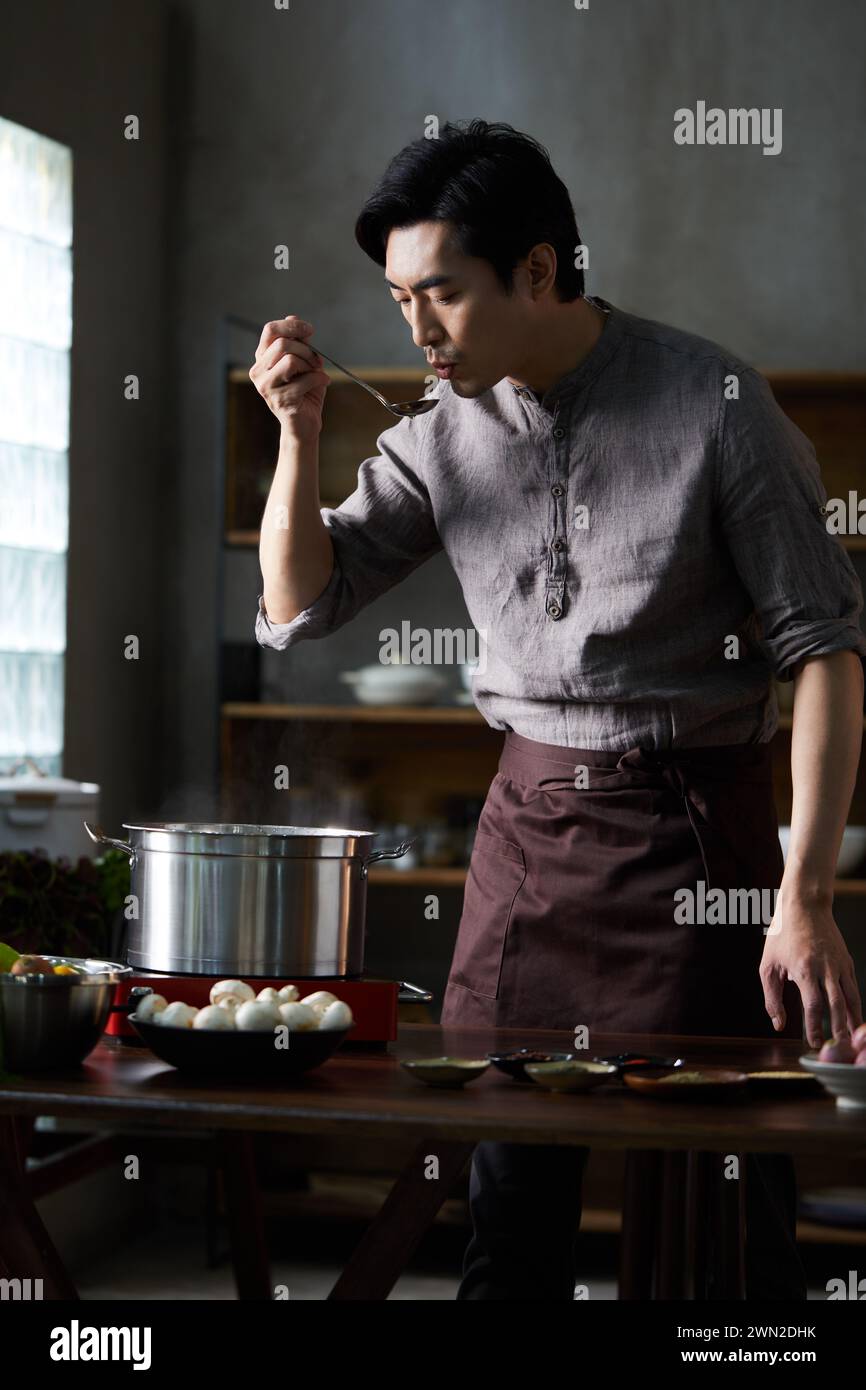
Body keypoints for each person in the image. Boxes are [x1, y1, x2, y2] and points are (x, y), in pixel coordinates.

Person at [251, 119, 866, 1300]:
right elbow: (300, 602)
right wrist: (297, 434)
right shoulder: (438, 432)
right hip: (526, 844)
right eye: (395, 300)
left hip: (697, 844)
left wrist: (802, 898)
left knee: (723, 1236)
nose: (416, 332)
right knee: (509, 1218)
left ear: (538, 269)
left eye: (441, 295)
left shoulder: (715, 402)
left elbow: (826, 650)